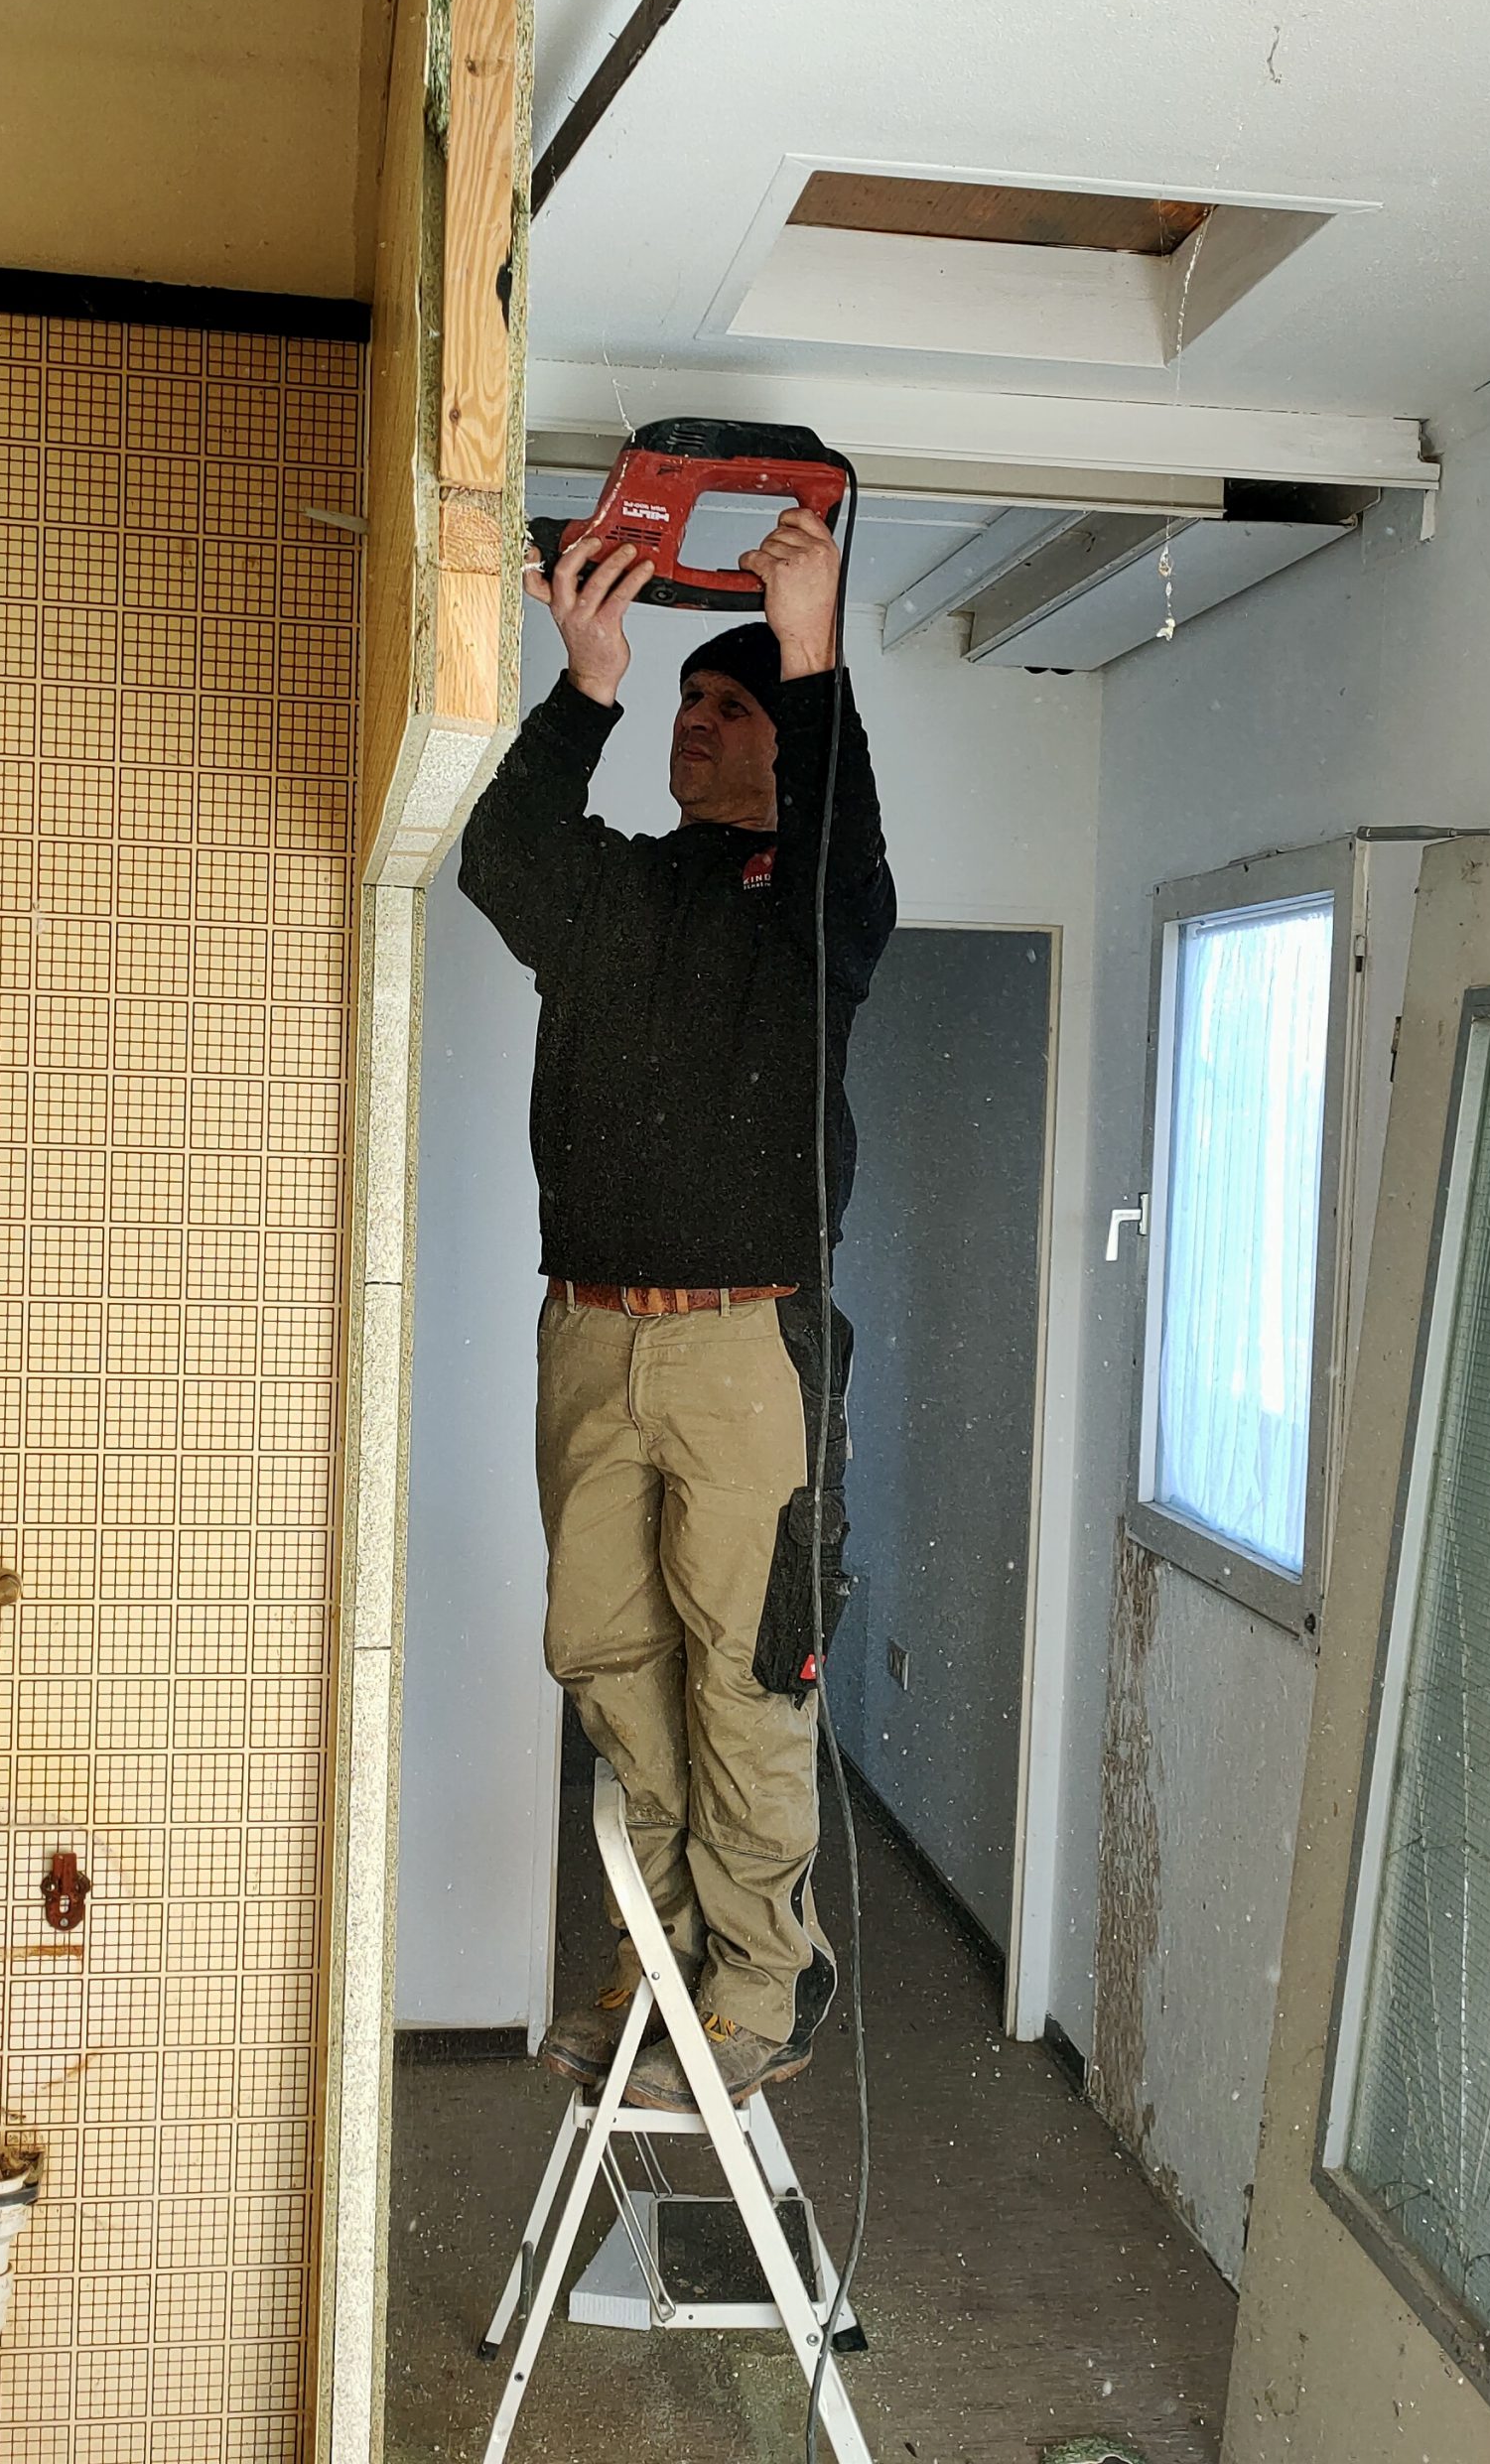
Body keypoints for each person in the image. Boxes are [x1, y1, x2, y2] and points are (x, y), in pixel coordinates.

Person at [458, 505, 896, 2111]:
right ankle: (661, 1958)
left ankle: (765, 1981)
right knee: (609, 1657)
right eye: (686, 705)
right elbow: (501, 857)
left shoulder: (815, 914)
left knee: (746, 1668)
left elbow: (844, 842)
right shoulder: (616, 893)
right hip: (588, 1333)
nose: (693, 724)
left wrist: (811, 649)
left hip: (741, 1344)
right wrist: (588, 682)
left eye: (729, 707)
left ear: (784, 744)